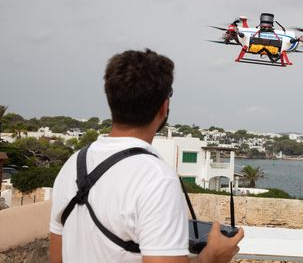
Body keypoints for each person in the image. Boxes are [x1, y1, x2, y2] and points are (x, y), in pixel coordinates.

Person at [49, 49, 244, 263]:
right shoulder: (157, 178)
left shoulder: (74, 164)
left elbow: (57, 257)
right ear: (163, 107)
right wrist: (211, 257)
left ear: (111, 101)